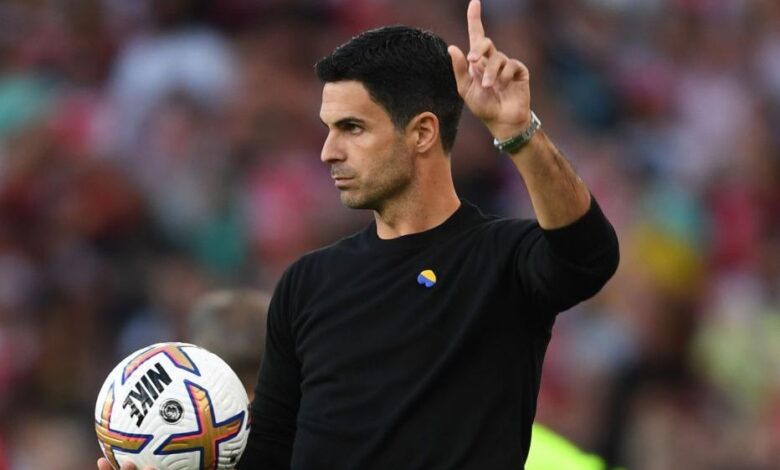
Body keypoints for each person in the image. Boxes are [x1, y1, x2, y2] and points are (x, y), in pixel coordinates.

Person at [98, 1, 618, 468]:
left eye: (352, 128)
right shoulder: (307, 284)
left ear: (422, 133)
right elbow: (271, 454)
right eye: (328, 128)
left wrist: (519, 132)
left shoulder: (501, 258)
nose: (327, 151)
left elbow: (588, 255)